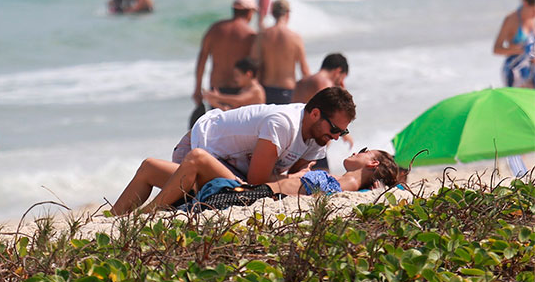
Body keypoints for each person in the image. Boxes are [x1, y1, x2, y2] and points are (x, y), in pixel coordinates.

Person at [111, 145, 399, 215]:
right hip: (251, 190)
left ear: (373, 163)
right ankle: (115, 217)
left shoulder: (339, 186)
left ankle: (147, 214)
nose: (356, 151)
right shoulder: (332, 180)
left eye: (363, 151)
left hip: (248, 195)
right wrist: (296, 175)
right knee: (149, 165)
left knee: (198, 157)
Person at [172, 86, 356, 185]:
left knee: (238, 190)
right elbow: (257, 181)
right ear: (315, 114)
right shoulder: (284, 124)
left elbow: (294, 179)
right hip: (199, 146)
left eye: (342, 132)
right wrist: (292, 179)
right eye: (334, 129)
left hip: (233, 168)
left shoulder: (318, 136)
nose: (337, 137)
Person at [190, 0, 258, 126]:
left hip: (216, 90)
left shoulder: (215, 29)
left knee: (217, 134)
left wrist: (197, 88)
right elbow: (255, 68)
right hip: (239, 92)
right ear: (250, 13)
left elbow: (202, 60)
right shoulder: (250, 35)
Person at [292, 53, 353, 169]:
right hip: (313, 141)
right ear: (338, 71)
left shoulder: (301, 82)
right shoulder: (325, 83)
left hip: (294, 139)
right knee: (321, 182)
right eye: (342, 78)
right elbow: (331, 112)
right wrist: (345, 134)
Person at [252, 0, 311, 104]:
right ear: (288, 14)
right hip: (287, 91)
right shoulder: (295, 37)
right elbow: (305, 71)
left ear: (272, 13)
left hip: (266, 90)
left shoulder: (262, 36)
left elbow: (253, 63)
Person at [493, 0, 535, 88]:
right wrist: (521, 50)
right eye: (534, 10)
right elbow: (496, 49)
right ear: (525, 3)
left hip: (531, 68)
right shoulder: (511, 19)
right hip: (514, 68)